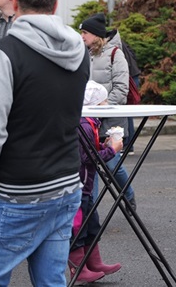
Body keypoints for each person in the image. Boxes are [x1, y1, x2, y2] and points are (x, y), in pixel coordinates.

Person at [0, 0, 90, 286]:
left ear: (16, 1)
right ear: (56, 4)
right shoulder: (79, 50)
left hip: (19, 189)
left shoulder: (4, 53)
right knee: (51, 281)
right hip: (66, 183)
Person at [79, 12, 136, 210]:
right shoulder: (84, 54)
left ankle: (128, 195)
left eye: (85, 33)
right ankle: (90, 211)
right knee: (90, 164)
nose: (81, 36)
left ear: (96, 34)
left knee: (112, 165)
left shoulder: (116, 54)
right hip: (88, 122)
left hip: (110, 121)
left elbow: (121, 90)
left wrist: (101, 108)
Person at [69, 81, 124, 284]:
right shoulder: (84, 124)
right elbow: (86, 157)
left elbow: (88, 149)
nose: (106, 105)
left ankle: (94, 263)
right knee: (78, 226)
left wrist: (102, 145)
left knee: (92, 223)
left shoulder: (90, 122)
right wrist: (112, 150)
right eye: (103, 102)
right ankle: (78, 269)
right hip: (79, 184)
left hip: (86, 184)